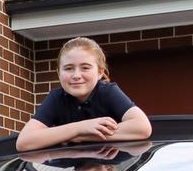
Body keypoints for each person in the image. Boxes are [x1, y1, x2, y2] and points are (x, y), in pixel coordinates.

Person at [15, 37, 152, 152]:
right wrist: (80, 128)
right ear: (58, 73)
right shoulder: (56, 98)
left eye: (85, 68)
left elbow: (142, 127)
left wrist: (80, 137)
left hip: (110, 164)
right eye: (68, 68)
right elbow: (24, 142)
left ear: (100, 72)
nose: (76, 75)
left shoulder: (107, 92)